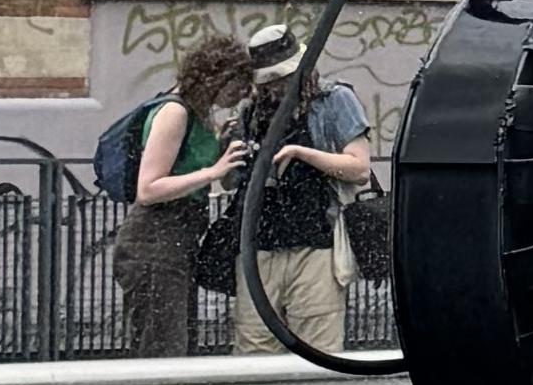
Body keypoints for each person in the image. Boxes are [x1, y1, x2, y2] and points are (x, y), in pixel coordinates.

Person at [227, 23, 376, 356]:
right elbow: (233, 180)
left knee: (317, 344)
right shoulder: (251, 111)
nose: (278, 88)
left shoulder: (334, 100)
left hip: (317, 242)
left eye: (283, 78)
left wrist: (301, 154)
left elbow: (359, 169)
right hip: (259, 243)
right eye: (270, 81)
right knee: (254, 345)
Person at [119, 34, 256, 355]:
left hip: (179, 239)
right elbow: (148, 189)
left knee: (179, 342)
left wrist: (221, 143)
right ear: (216, 78)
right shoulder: (174, 112)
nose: (241, 94)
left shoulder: (199, 114)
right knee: (163, 345)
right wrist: (214, 171)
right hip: (154, 240)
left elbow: (187, 164)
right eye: (237, 85)